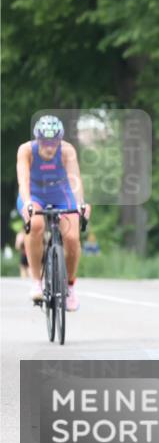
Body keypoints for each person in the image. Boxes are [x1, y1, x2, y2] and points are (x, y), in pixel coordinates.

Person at [16, 115, 90, 309]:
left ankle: (70, 288)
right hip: (34, 194)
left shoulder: (67, 151)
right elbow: (23, 180)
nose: (49, 147)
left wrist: (81, 203)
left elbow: (74, 180)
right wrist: (27, 203)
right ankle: (35, 282)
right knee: (37, 224)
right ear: (37, 139)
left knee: (72, 238)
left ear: (60, 140)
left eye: (54, 142)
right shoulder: (26, 150)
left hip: (60, 194)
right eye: (45, 142)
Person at [9, 209, 29, 278]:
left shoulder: (20, 235)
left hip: (24, 254)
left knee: (24, 272)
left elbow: (17, 246)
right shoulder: (28, 234)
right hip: (28, 254)